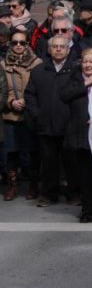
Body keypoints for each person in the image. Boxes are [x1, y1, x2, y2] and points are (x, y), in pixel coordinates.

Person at [58, 48, 92, 222]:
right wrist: (86, 83)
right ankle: (87, 210)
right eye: (85, 61)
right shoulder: (75, 79)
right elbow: (64, 95)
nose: (87, 65)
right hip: (81, 135)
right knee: (85, 175)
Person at [25, 35, 73, 208]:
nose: (58, 49)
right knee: (48, 162)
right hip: (46, 125)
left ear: (68, 49)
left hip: (69, 126)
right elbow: (29, 96)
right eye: (55, 46)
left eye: (62, 46)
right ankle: (48, 194)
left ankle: (73, 193)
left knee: (70, 162)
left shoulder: (75, 70)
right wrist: (37, 115)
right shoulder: (38, 71)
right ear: (49, 49)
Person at [0, 28, 42, 200]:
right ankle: (13, 184)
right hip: (9, 114)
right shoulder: (3, 64)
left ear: (27, 44)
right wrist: (11, 101)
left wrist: (26, 101)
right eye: (15, 42)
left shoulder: (36, 63)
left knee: (32, 150)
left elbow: (38, 87)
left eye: (22, 43)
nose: (18, 46)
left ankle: (33, 184)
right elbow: (2, 87)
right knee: (11, 151)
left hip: (29, 113)